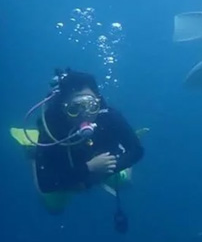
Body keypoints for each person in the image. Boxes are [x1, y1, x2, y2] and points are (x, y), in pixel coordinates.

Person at [18, 68, 145, 215]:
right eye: (75, 108)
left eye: (91, 106)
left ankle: (118, 151)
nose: (85, 114)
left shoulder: (109, 115)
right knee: (54, 208)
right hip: (66, 169)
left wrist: (98, 174)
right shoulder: (52, 125)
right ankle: (33, 155)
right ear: (63, 107)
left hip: (100, 164)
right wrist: (88, 168)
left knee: (125, 181)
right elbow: (46, 183)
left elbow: (137, 151)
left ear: (98, 101)